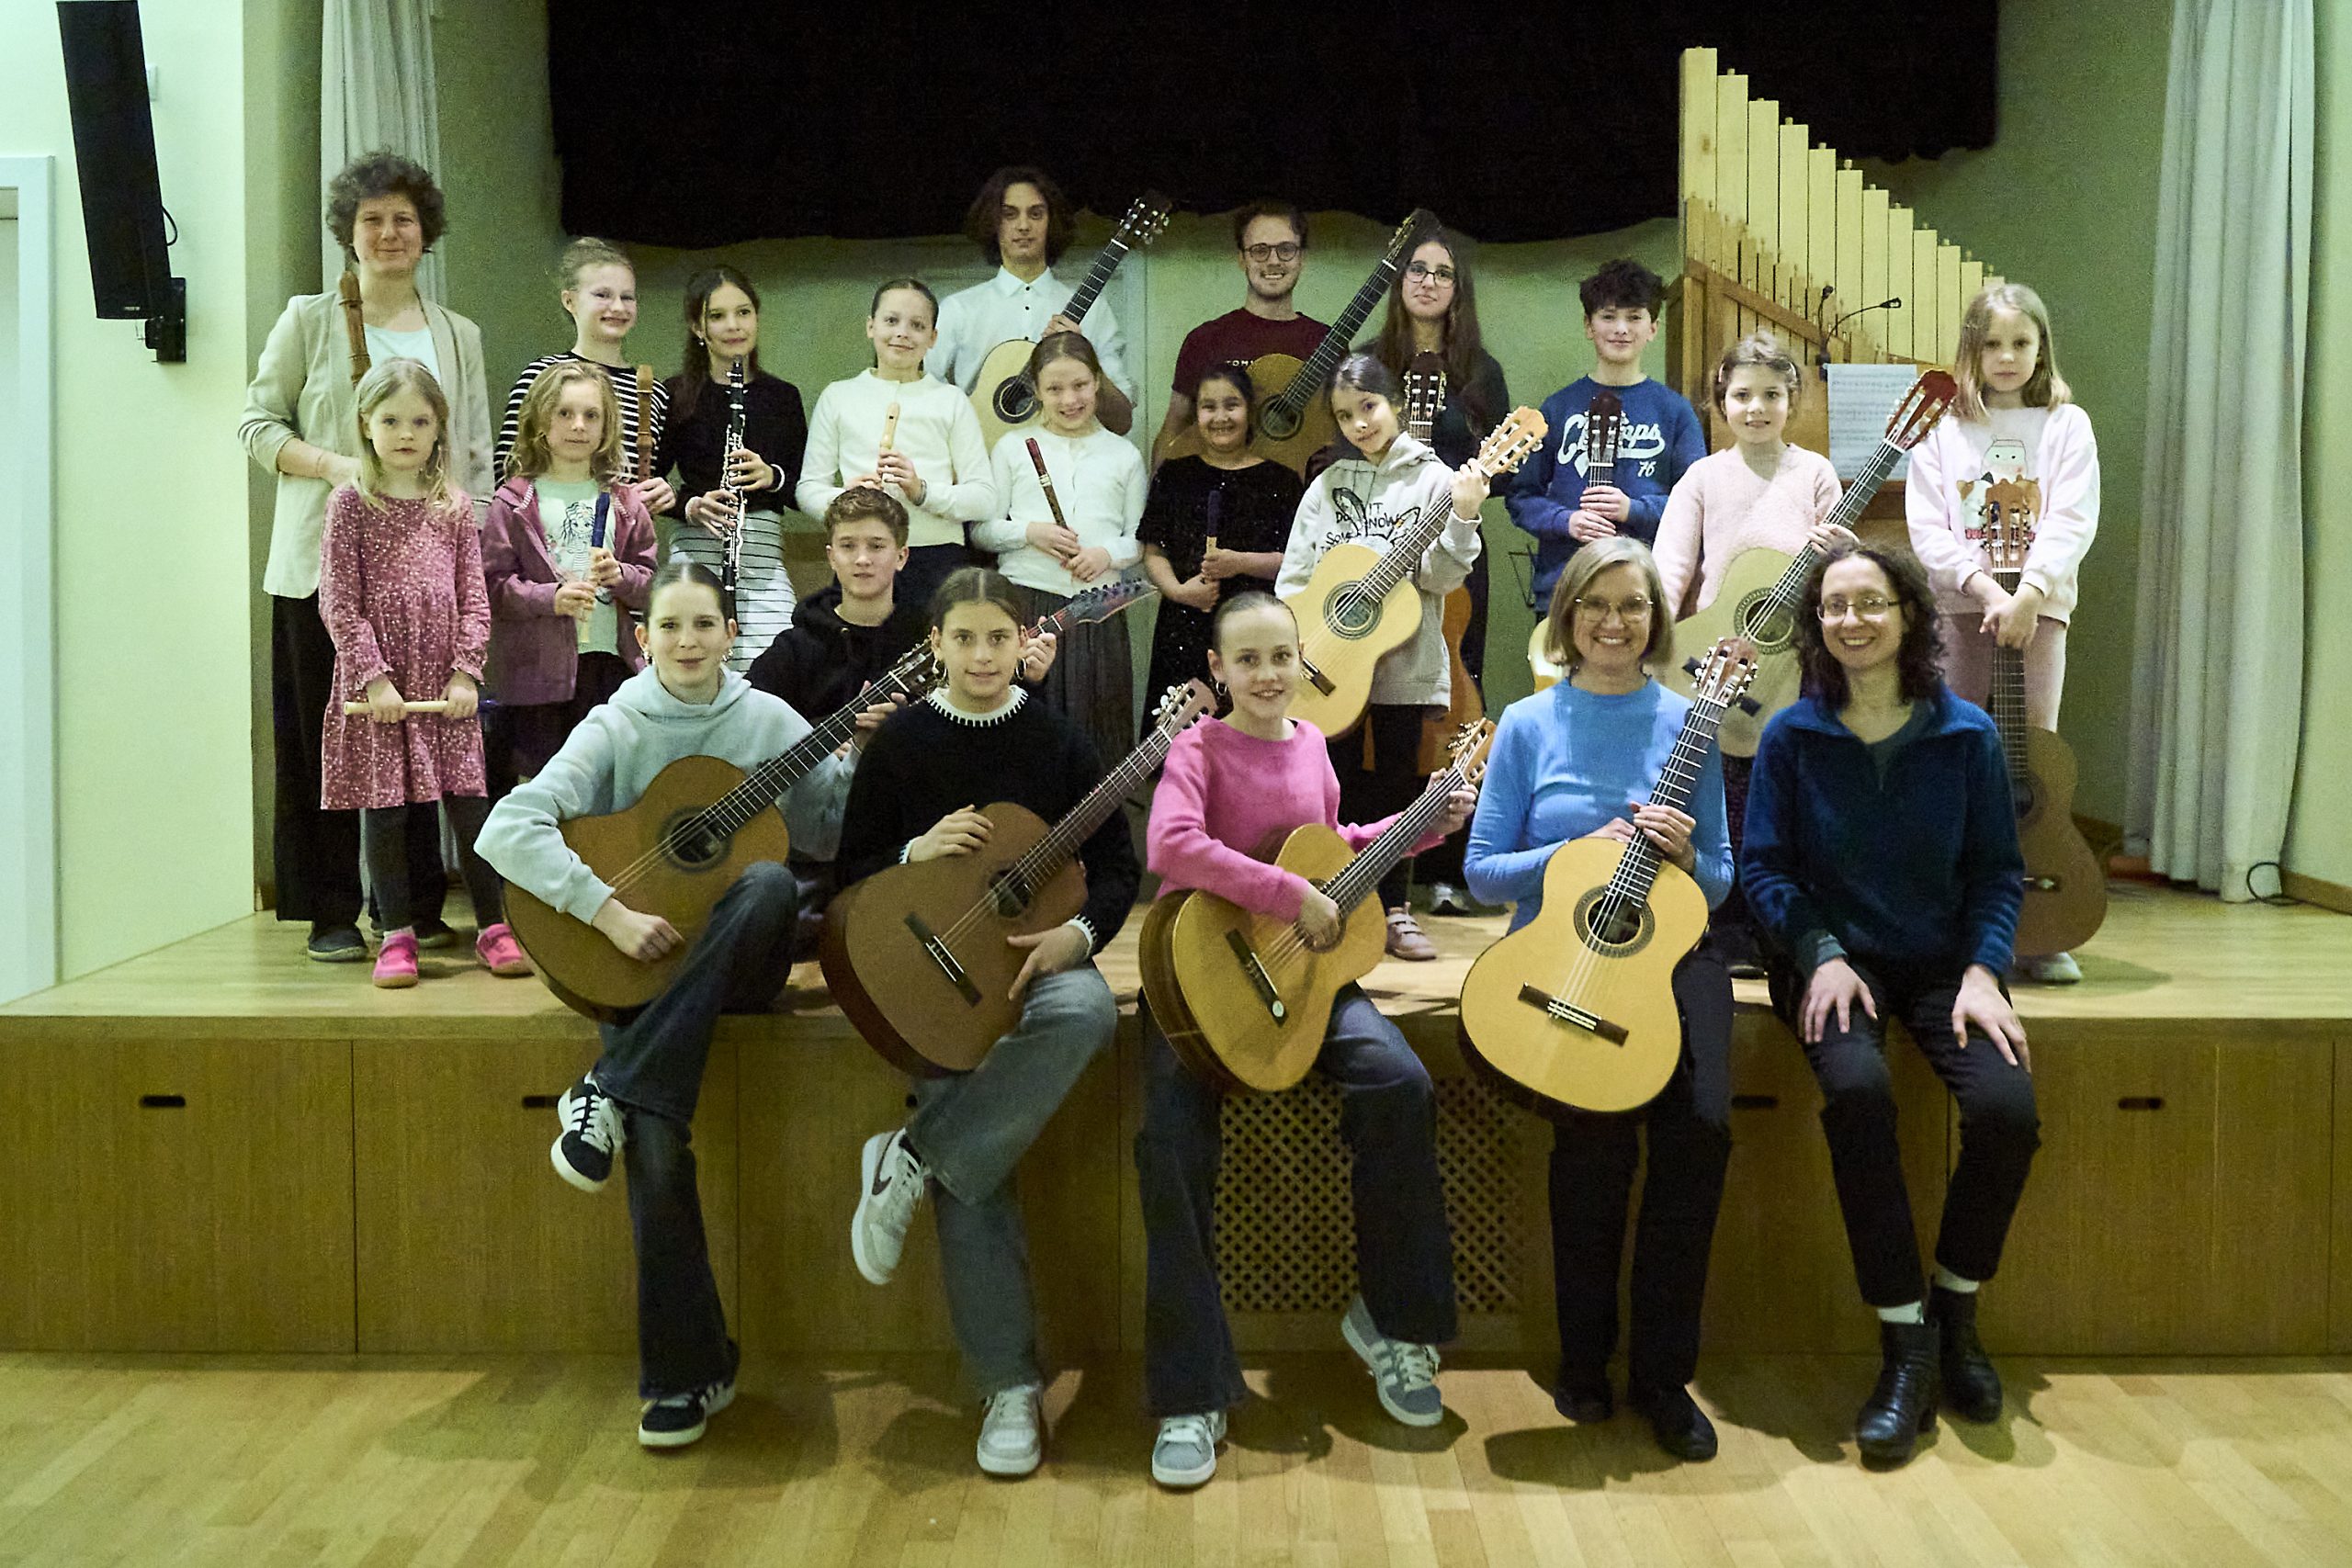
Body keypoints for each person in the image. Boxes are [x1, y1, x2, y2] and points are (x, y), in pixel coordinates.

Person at [477, 559, 854, 1450]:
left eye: (704, 626)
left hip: (740, 964)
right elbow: (507, 829)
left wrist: (850, 768)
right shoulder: (615, 726)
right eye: (670, 627)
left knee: (765, 883)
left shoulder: (768, 721)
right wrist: (605, 911)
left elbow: (834, 830)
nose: (687, 643)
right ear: (643, 639)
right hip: (634, 964)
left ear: (733, 636)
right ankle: (686, 1374)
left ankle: (606, 1086)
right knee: (653, 1134)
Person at [1137, 592, 1470, 1489]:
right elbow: (1171, 848)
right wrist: (1288, 900)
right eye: (1245, 660)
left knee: (1399, 1083)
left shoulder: (1314, 749)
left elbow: (1326, 854)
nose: (1266, 674)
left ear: (1300, 662)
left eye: (1279, 656)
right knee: (1166, 1139)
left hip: (1305, 984)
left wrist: (1417, 829)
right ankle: (1189, 1391)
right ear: (1216, 669)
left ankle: (1393, 1323)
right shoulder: (1196, 749)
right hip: (1195, 983)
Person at [1742, 542, 2040, 1469]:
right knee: (1860, 1096)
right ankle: (1904, 1340)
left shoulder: (1966, 736)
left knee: (2006, 1113)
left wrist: (1986, 970)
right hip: (1830, 966)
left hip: (1944, 966)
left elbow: (1995, 871)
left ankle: (1955, 1304)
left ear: (1908, 616)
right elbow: (1762, 868)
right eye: (1834, 608)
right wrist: (1820, 951)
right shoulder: (1792, 736)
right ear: (1816, 626)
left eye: (1871, 603)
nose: (1852, 621)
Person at [839, 567, 1136, 1480]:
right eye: (962, 639)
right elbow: (846, 878)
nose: (979, 656)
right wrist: (909, 852)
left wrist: (1081, 935)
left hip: (1033, 967)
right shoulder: (901, 747)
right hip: (931, 983)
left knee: (1088, 1012)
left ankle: (915, 1156)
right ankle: (1008, 1385)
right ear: (934, 645)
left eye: (996, 640)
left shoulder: (1058, 744)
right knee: (975, 1141)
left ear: (1025, 644)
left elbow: (1117, 868)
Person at [1462, 536, 1734, 1463]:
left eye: (1633, 606)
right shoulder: (1529, 723)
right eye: (1595, 606)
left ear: (1656, 622)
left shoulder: (1689, 720)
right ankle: (1584, 1358)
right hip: (1562, 959)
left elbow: (1726, 878)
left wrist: (1690, 857)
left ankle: (1664, 1376)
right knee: (1592, 1143)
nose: (1614, 623)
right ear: (1565, 619)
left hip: (1667, 953)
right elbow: (1484, 870)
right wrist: (1579, 855)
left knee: (1699, 1129)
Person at [242, 150, 492, 962]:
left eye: (404, 220)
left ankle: (414, 907)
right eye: (372, 219)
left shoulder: (458, 333)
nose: (389, 233)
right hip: (326, 574)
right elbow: (257, 425)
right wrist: (339, 465)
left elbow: (477, 454)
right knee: (335, 746)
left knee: (419, 745)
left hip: (425, 589)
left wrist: (463, 561)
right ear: (349, 234)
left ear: (427, 234)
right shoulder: (307, 319)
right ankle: (330, 912)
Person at [1905, 283, 2099, 984]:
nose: (2008, 356)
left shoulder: (2066, 424)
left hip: (2040, 608)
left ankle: (2038, 926)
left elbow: (2072, 516)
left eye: (2022, 342)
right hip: (1964, 607)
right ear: (1972, 350)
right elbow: (1928, 525)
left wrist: (2032, 593)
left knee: (2031, 760)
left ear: (2042, 346)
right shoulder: (1942, 429)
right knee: (1958, 752)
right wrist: (1986, 588)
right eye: (1992, 344)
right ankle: (1958, 920)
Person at [1275, 354, 1487, 962]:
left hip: (1405, 663)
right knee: (1327, 788)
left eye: (1368, 407)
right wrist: (1313, 633)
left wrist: (1465, 513)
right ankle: (1321, 900)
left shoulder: (1436, 482)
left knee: (1398, 790)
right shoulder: (1328, 485)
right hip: (1328, 663)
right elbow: (1293, 580)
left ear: (1395, 403)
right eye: (1345, 415)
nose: (1359, 423)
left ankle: (1394, 907)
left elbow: (1443, 578)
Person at [317, 359, 521, 987]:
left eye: (420, 421)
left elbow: (474, 596)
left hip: (444, 684)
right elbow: (339, 601)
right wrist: (374, 678)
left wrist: (466, 672)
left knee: (470, 807)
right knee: (386, 812)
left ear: (439, 430)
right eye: (391, 420)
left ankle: (494, 925)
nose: (406, 432)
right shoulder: (350, 503)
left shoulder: (454, 506)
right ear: (366, 425)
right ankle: (397, 933)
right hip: (379, 683)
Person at [1650, 331, 1848, 973]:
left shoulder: (1814, 473)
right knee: (1724, 794)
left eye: (1771, 394)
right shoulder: (1704, 475)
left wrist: (1838, 556)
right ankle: (1728, 923)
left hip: (1795, 660)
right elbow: (1670, 566)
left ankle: (1787, 921)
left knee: (1788, 790)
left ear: (1793, 399)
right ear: (1719, 402)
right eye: (1741, 395)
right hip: (1717, 656)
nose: (1756, 407)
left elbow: (1838, 574)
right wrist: (1655, 636)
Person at [1367, 222, 1510, 916]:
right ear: (1400, 283)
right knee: (1375, 707)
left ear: (1460, 289)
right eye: (1417, 269)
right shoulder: (1370, 363)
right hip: (1374, 551)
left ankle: (1449, 867)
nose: (1428, 280)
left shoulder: (1481, 372)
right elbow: (1342, 451)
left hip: (1454, 553)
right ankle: (1371, 863)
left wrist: (1463, 469)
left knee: (1456, 700)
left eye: (1442, 272)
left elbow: (1506, 475)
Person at [481, 361, 659, 799]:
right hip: (537, 674)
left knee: (605, 787)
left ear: (606, 426)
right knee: (547, 787)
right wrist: (550, 598)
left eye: (591, 415)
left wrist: (621, 577)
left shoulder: (624, 502)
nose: (578, 426)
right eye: (564, 414)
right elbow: (493, 586)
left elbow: (654, 582)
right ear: (541, 422)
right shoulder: (515, 501)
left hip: (608, 664)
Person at [975, 332, 1148, 767]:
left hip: (1098, 611)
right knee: (1029, 731)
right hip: (1027, 605)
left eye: (1080, 385)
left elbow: (1140, 538)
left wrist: (1106, 555)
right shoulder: (1013, 448)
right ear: (1036, 391)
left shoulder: (1123, 454)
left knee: (1098, 734)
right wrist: (1030, 532)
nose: (1069, 399)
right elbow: (982, 530)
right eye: (1054, 389)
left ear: (1097, 382)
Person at [1506, 257, 1706, 609]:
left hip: (1643, 590)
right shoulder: (1557, 408)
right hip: (1564, 589)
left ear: (1653, 328)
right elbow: (1521, 496)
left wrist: (1634, 509)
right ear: (1588, 325)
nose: (1621, 329)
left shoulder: (1675, 411)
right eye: (1608, 316)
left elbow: (1698, 503)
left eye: (1634, 317)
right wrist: (1566, 521)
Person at [800, 278, 998, 613]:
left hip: (936, 558)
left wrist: (922, 491)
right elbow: (807, 489)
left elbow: (984, 498)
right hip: (863, 556)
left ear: (933, 338)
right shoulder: (838, 396)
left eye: (917, 325)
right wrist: (847, 500)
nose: (903, 333)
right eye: (891, 321)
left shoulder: (951, 401)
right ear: (870, 326)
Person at [652, 266, 805, 671]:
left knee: (775, 675)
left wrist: (772, 476)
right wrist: (690, 504)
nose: (733, 326)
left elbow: (803, 486)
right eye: (717, 316)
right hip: (695, 555)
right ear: (696, 326)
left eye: (743, 312)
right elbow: (648, 482)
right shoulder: (675, 394)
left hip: (762, 563)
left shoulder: (783, 397)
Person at [1136, 363, 1302, 704]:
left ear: (1250, 410)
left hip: (1254, 631)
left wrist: (1238, 563)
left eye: (1231, 405)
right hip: (1182, 624)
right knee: (1179, 736)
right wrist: (1179, 592)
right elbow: (1153, 550)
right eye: (1208, 407)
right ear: (1196, 413)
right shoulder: (1174, 474)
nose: (1220, 417)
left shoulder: (1282, 480)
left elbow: (1296, 560)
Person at [927, 165, 1136, 434]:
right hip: (981, 465)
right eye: (1009, 214)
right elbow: (922, 395)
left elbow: (1121, 422)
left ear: (1052, 222)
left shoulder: (1093, 308)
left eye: (1036, 214)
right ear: (993, 223)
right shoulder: (959, 309)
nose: (1023, 225)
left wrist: (1084, 357)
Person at [493, 237, 677, 518]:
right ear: (570, 300)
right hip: (550, 541)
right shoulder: (541, 375)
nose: (618, 307)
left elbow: (648, 484)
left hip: (619, 553)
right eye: (603, 295)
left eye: (627, 297)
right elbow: (507, 473)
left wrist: (662, 494)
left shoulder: (654, 392)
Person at [1153, 201, 1329, 463]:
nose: (1273, 261)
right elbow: (1173, 431)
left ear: (1301, 258)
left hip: (1302, 494)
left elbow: (1336, 436)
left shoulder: (1326, 342)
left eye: (1286, 249)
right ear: (1242, 259)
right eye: (1260, 250)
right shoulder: (1204, 340)